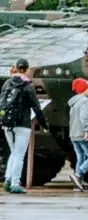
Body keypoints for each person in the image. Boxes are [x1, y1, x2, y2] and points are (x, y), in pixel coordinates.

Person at [1, 58, 49, 194]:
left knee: (14, 152)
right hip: (23, 125)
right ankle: (15, 184)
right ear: (27, 70)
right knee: (19, 155)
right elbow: (36, 108)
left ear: (16, 67)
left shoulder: (7, 83)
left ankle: (8, 179)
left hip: (7, 124)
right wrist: (44, 124)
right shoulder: (28, 86)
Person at [68, 78, 88, 192]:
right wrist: (87, 131)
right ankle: (78, 175)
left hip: (74, 134)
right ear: (83, 89)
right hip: (82, 133)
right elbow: (83, 117)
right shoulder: (85, 101)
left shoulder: (74, 102)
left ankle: (77, 185)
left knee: (81, 156)